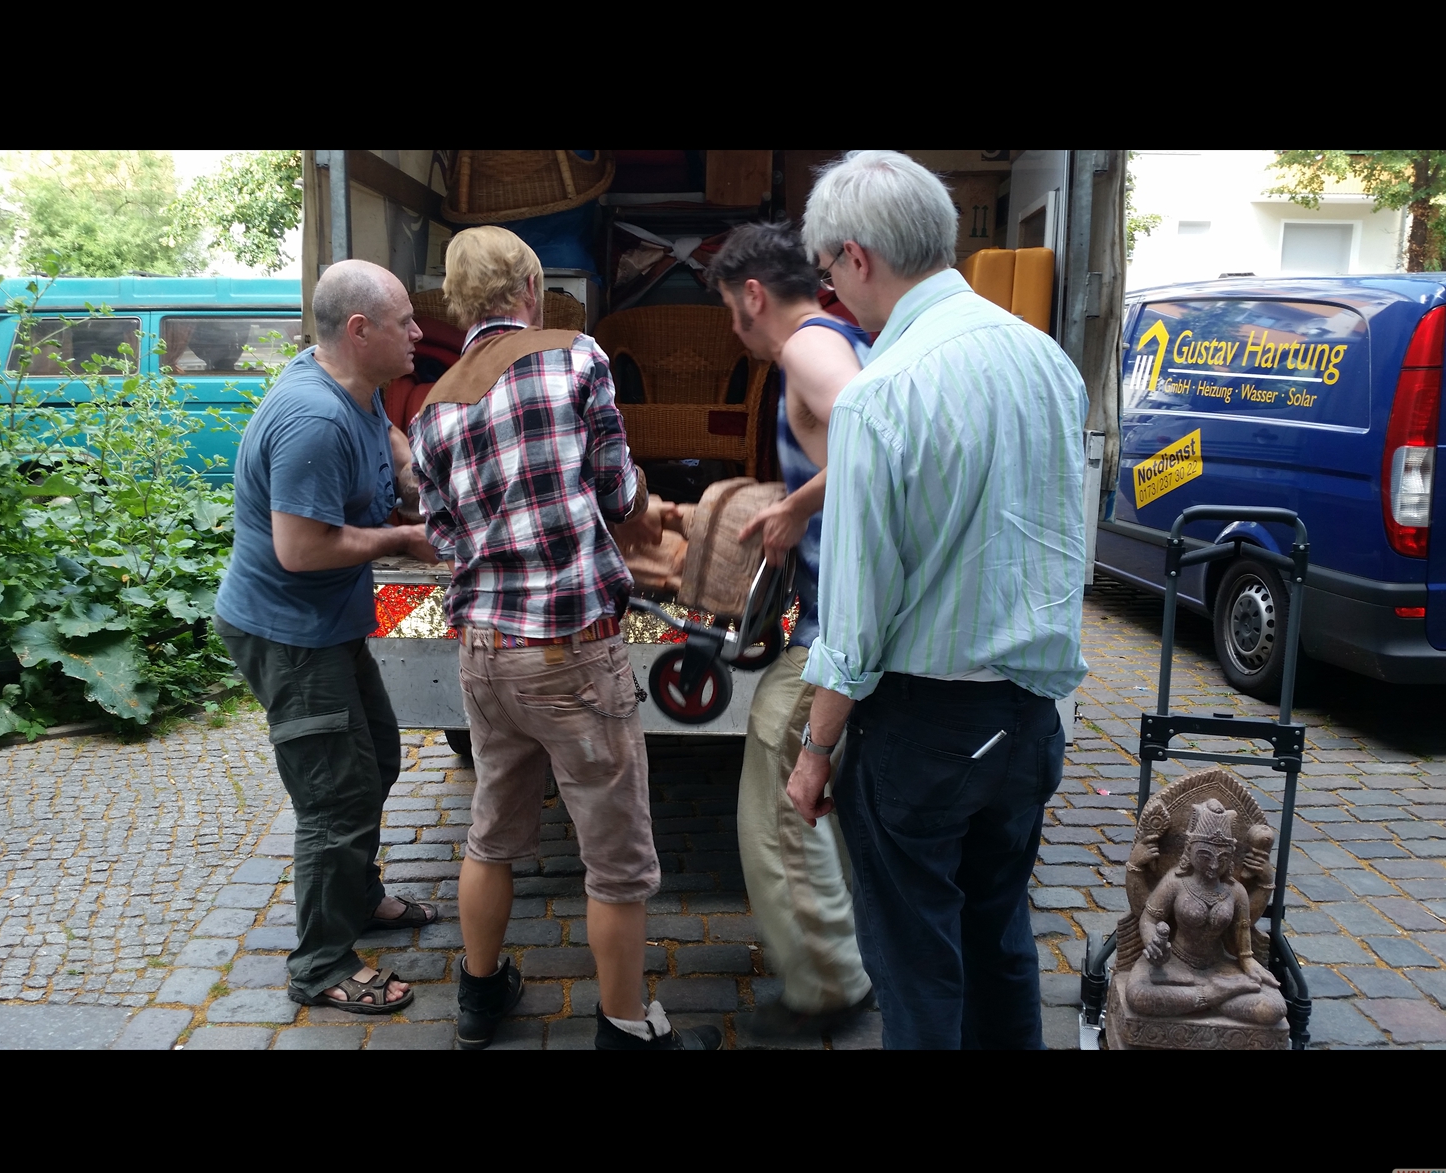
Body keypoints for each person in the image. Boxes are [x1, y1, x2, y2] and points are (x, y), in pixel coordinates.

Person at [789, 151, 1089, 1049]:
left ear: (856, 257)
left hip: (922, 730)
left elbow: (854, 618)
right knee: (999, 942)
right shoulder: (1047, 362)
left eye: (830, 274)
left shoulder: (881, 395)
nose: (835, 295)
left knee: (917, 969)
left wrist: (815, 748)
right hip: (1030, 721)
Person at [408, 226, 720, 1050]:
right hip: (570, 649)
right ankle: (624, 1025)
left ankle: (479, 998)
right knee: (616, 857)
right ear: (531, 291)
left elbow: (442, 537)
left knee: (492, 833)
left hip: (483, 651)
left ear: (457, 302)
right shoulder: (574, 355)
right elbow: (618, 493)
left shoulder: (433, 408)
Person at [214, 259, 440, 1017]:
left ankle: (358, 895)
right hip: (289, 634)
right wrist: (402, 540)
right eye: (405, 321)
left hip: (329, 623)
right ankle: (320, 963)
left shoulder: (355, 387)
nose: (418, 332)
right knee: (332, 797)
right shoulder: (311, 419)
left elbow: (391, 438)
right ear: (358, 330)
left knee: (374, 756)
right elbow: (301, 550)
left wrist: (418, 473)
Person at [702, 222, 875, 1036]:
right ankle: (846, 959)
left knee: (779, 800)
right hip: (845, 624)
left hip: (838, 631)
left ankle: (829, 984)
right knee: (813, 802)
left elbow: (879, 442)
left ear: (753, 296)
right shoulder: (848, 334)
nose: (735, 332)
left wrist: (796, 506)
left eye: (731, 315)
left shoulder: (809, 350)